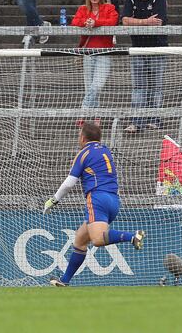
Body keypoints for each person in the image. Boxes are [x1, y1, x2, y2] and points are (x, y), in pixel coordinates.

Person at [44, 122, 146, 286]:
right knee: (80, 240)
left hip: (97, 199)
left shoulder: (84, 153)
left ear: (83, 138)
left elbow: (70, 183)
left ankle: (133, 236)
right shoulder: (106, 150)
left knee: (98, 240)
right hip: (113, 200)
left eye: (79, 135)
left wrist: (53, 200)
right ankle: (64, 281)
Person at [121, 0, 168, 132]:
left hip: (157, 48)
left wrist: (137, 22)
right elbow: (125, 21)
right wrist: (146, 21)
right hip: (138, 48)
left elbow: (158, 22)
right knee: (139, 87)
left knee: (156, 86)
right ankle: (137, 121)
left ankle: (155, 119)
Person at [72, 0, 119, 114]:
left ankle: (83, 112)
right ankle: (95, 117)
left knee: (97, 86)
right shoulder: (83, 9)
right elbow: (75, 21)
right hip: (88, 52)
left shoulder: (109, 8)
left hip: (104, 52)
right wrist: (86, 22)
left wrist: (96, 23)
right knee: (89, 87)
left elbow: (113, 21)